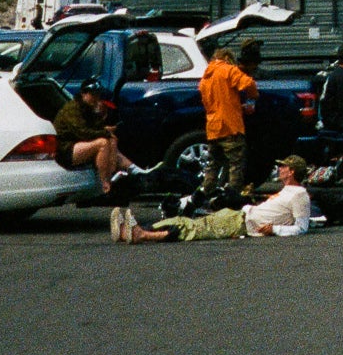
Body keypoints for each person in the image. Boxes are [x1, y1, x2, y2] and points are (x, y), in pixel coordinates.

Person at [116, 155, 312, 244]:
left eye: (284, 167)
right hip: (240, 215)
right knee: (192, 222)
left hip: (243, 224)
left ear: (292, 171)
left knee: (194, 228)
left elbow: (301, 228)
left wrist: (275, 229)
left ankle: (142, 234)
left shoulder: (299, 195)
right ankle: (139, 229)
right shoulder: (287, 190)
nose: (280, 169)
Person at [52, 79, 139, 187]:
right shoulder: (72, 108)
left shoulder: (88, 108)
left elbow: (96, 127)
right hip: (66, 149)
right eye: (93, 94)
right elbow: (82, 132)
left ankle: (133, 170)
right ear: (83, 94)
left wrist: (103, 120)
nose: (96, 98)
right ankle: (105, 183)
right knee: (102, 143)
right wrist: (104, 132)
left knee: (112, 139)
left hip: (80, 144)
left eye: (97, 94)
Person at [198, 47, 258, 197]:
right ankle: (232, 198)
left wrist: (236, 105)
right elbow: (248, 83)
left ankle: (205, 194)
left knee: (213, 165)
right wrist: (252, 99)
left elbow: (217, 102)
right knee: (235, 165)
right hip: (230, 126)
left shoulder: (205, 78)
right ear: (228, 58)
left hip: (213, 128)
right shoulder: (228, 70)